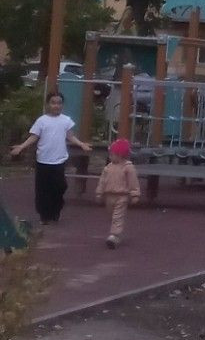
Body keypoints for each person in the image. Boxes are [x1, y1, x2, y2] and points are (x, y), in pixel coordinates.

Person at [11, 91, 90, 226]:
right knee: (43, 189)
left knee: (60, 186)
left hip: (59, 160)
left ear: (62, 105)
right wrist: (21, 147)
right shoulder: (42, 121)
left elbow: (70, 136)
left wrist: (81, 144)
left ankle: (56, 209)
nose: (56, 106)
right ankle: (44, 215)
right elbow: (34, 136)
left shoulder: (66, 120)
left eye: (59, 103)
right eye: (53, 103)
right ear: (48, 104)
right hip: (43, 160)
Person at [95, 137, 142, 247]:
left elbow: (133, 181)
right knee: (111, 215)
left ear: (120, 155)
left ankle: (114, 235)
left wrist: (135, 194)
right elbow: (102, 181)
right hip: (109, 195)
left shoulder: (128, 167)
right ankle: (116, 232)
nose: (110, 156)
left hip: (122, 196)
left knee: (117, 216)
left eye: (112, 154)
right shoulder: (108, 167)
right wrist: (99, 192)